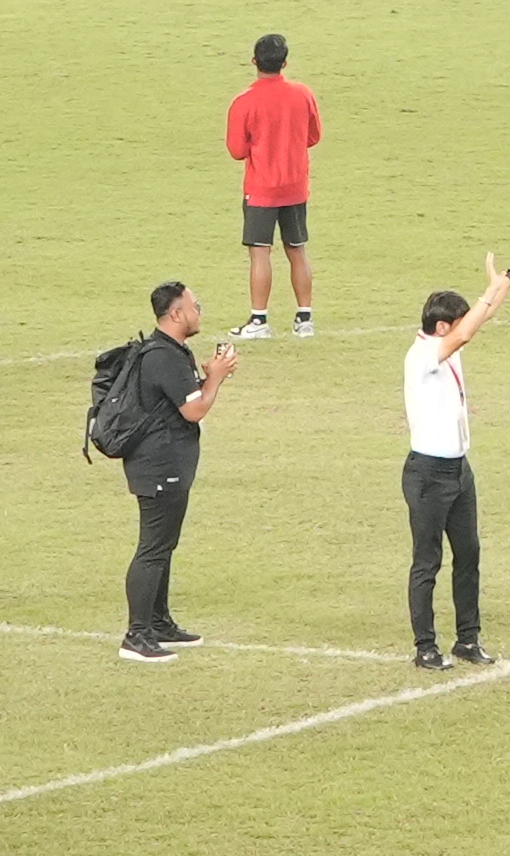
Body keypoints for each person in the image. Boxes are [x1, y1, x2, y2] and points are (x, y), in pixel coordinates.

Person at [401, 242, 510, 669]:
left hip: (459, 469)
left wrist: (504, 283)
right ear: (442, 327)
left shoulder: (444, 344)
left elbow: (478, 321)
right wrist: (498, 286)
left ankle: (467, 639)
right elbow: (467, 331)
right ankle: (425, 646)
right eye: (457, 324)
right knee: (427, 561)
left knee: (468, 555)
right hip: (428, 473)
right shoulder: (423, 354)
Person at [115, 280, 239, 661]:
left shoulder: (171, 352)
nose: (199, 312)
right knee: (153, 548)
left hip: (166, 464)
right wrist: (215, 378)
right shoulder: (163, 356)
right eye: (194, 306)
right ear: (176, 313)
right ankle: (137, 635)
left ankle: (158, 622)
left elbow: (180, 401)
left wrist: (208, 378)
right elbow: (194, 410)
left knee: (163, 545)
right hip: (158, 466)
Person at [223, 34, 322, 340]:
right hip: (295, 187)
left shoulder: (244, 102)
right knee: (297, 250)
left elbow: (236, 150)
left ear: (255, 61)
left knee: (260, 253)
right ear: (285, 63)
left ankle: (259, 320)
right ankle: (304, 319)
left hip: (261, 189)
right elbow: (313, 136)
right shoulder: (303, 94)